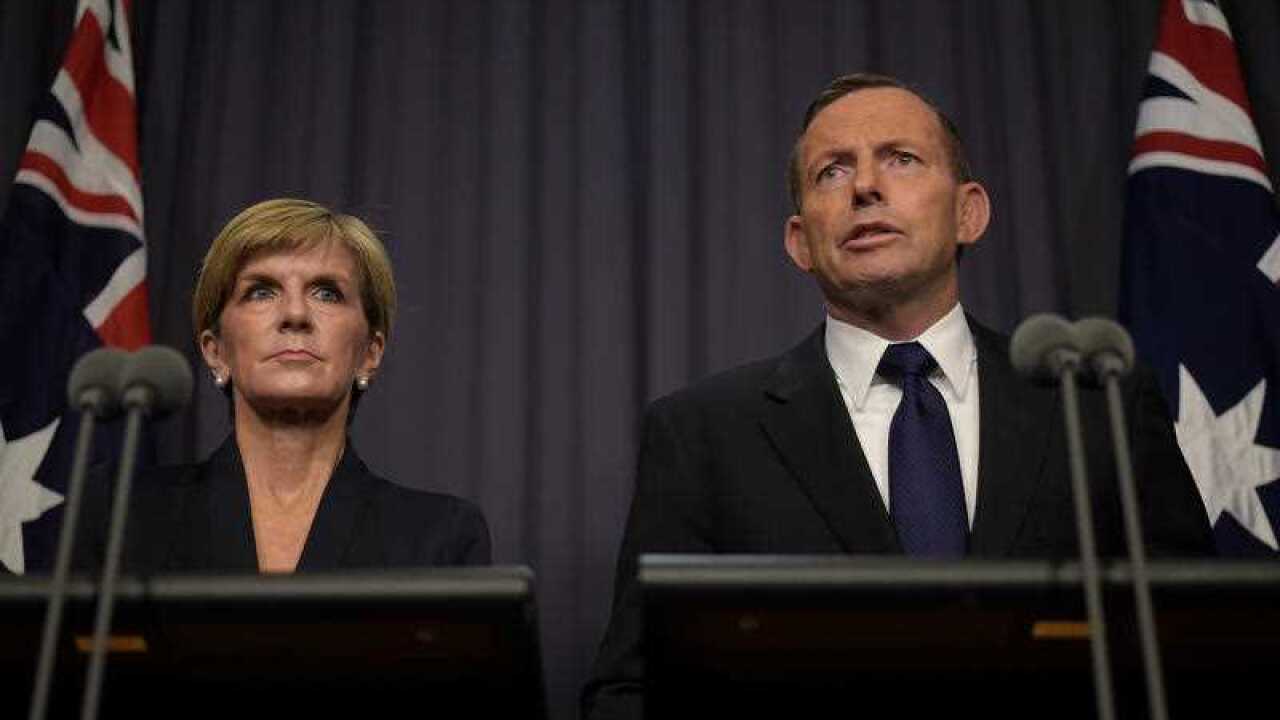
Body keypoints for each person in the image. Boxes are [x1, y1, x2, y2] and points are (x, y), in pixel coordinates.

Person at [581, 73, 1214, 719]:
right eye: (832, 172)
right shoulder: (704, 433)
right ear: (800, 241)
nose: (864, 187)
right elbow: (632, 691)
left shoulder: (1093, 401)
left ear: (969, 211)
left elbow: (1199, 647)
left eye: (901, 159)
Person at [77, 198, 489, 572]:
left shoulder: (439, 538)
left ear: (370, 353)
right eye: (261, 292)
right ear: (216, 351)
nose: (295, 314)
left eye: (327, 293)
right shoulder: (122, 517)